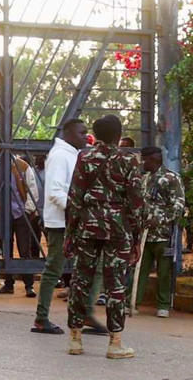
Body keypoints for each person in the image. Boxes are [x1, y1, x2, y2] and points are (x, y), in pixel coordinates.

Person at [64, 115, 144, 359]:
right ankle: (115, 343)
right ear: (119, 135)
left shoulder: (84, 157)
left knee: (80, 280)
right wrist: (136, 236)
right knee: (115, 284)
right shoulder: (129, 160)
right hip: (118, 230)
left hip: (88, 226)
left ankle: (76, 339)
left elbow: (75, 198)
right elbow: (136, 202)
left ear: (96, 135)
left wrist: (70, 235)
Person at [32, 118, 105, 334]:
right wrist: (80, 211)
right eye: (82, 133)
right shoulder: (60, 156)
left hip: (74, 221)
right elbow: (55, 193)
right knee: (54, 269)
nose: (86, 137)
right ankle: (41, 318)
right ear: (69, 134)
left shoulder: (73, 155)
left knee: (93, 266)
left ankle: (86, 314)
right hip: (61, 223)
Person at [126, 146, 185, 318]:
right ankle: (132, 302)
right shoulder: (144, 179)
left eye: (144, 159)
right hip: (144, 235)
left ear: (154, 159)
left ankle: (163, 305)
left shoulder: (171, 178)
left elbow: (178, 206)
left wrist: (158, 220)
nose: (142, 163)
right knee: (138, 268)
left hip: (163, 235)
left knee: (164, 271)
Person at [0, 156, 39, 298]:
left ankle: (29, 285)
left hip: (21, 213)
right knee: (6, 250)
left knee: (24, 249)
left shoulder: (23, 166)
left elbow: (32, 189)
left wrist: (27, 210)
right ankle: (8, 284)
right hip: (4, 213)